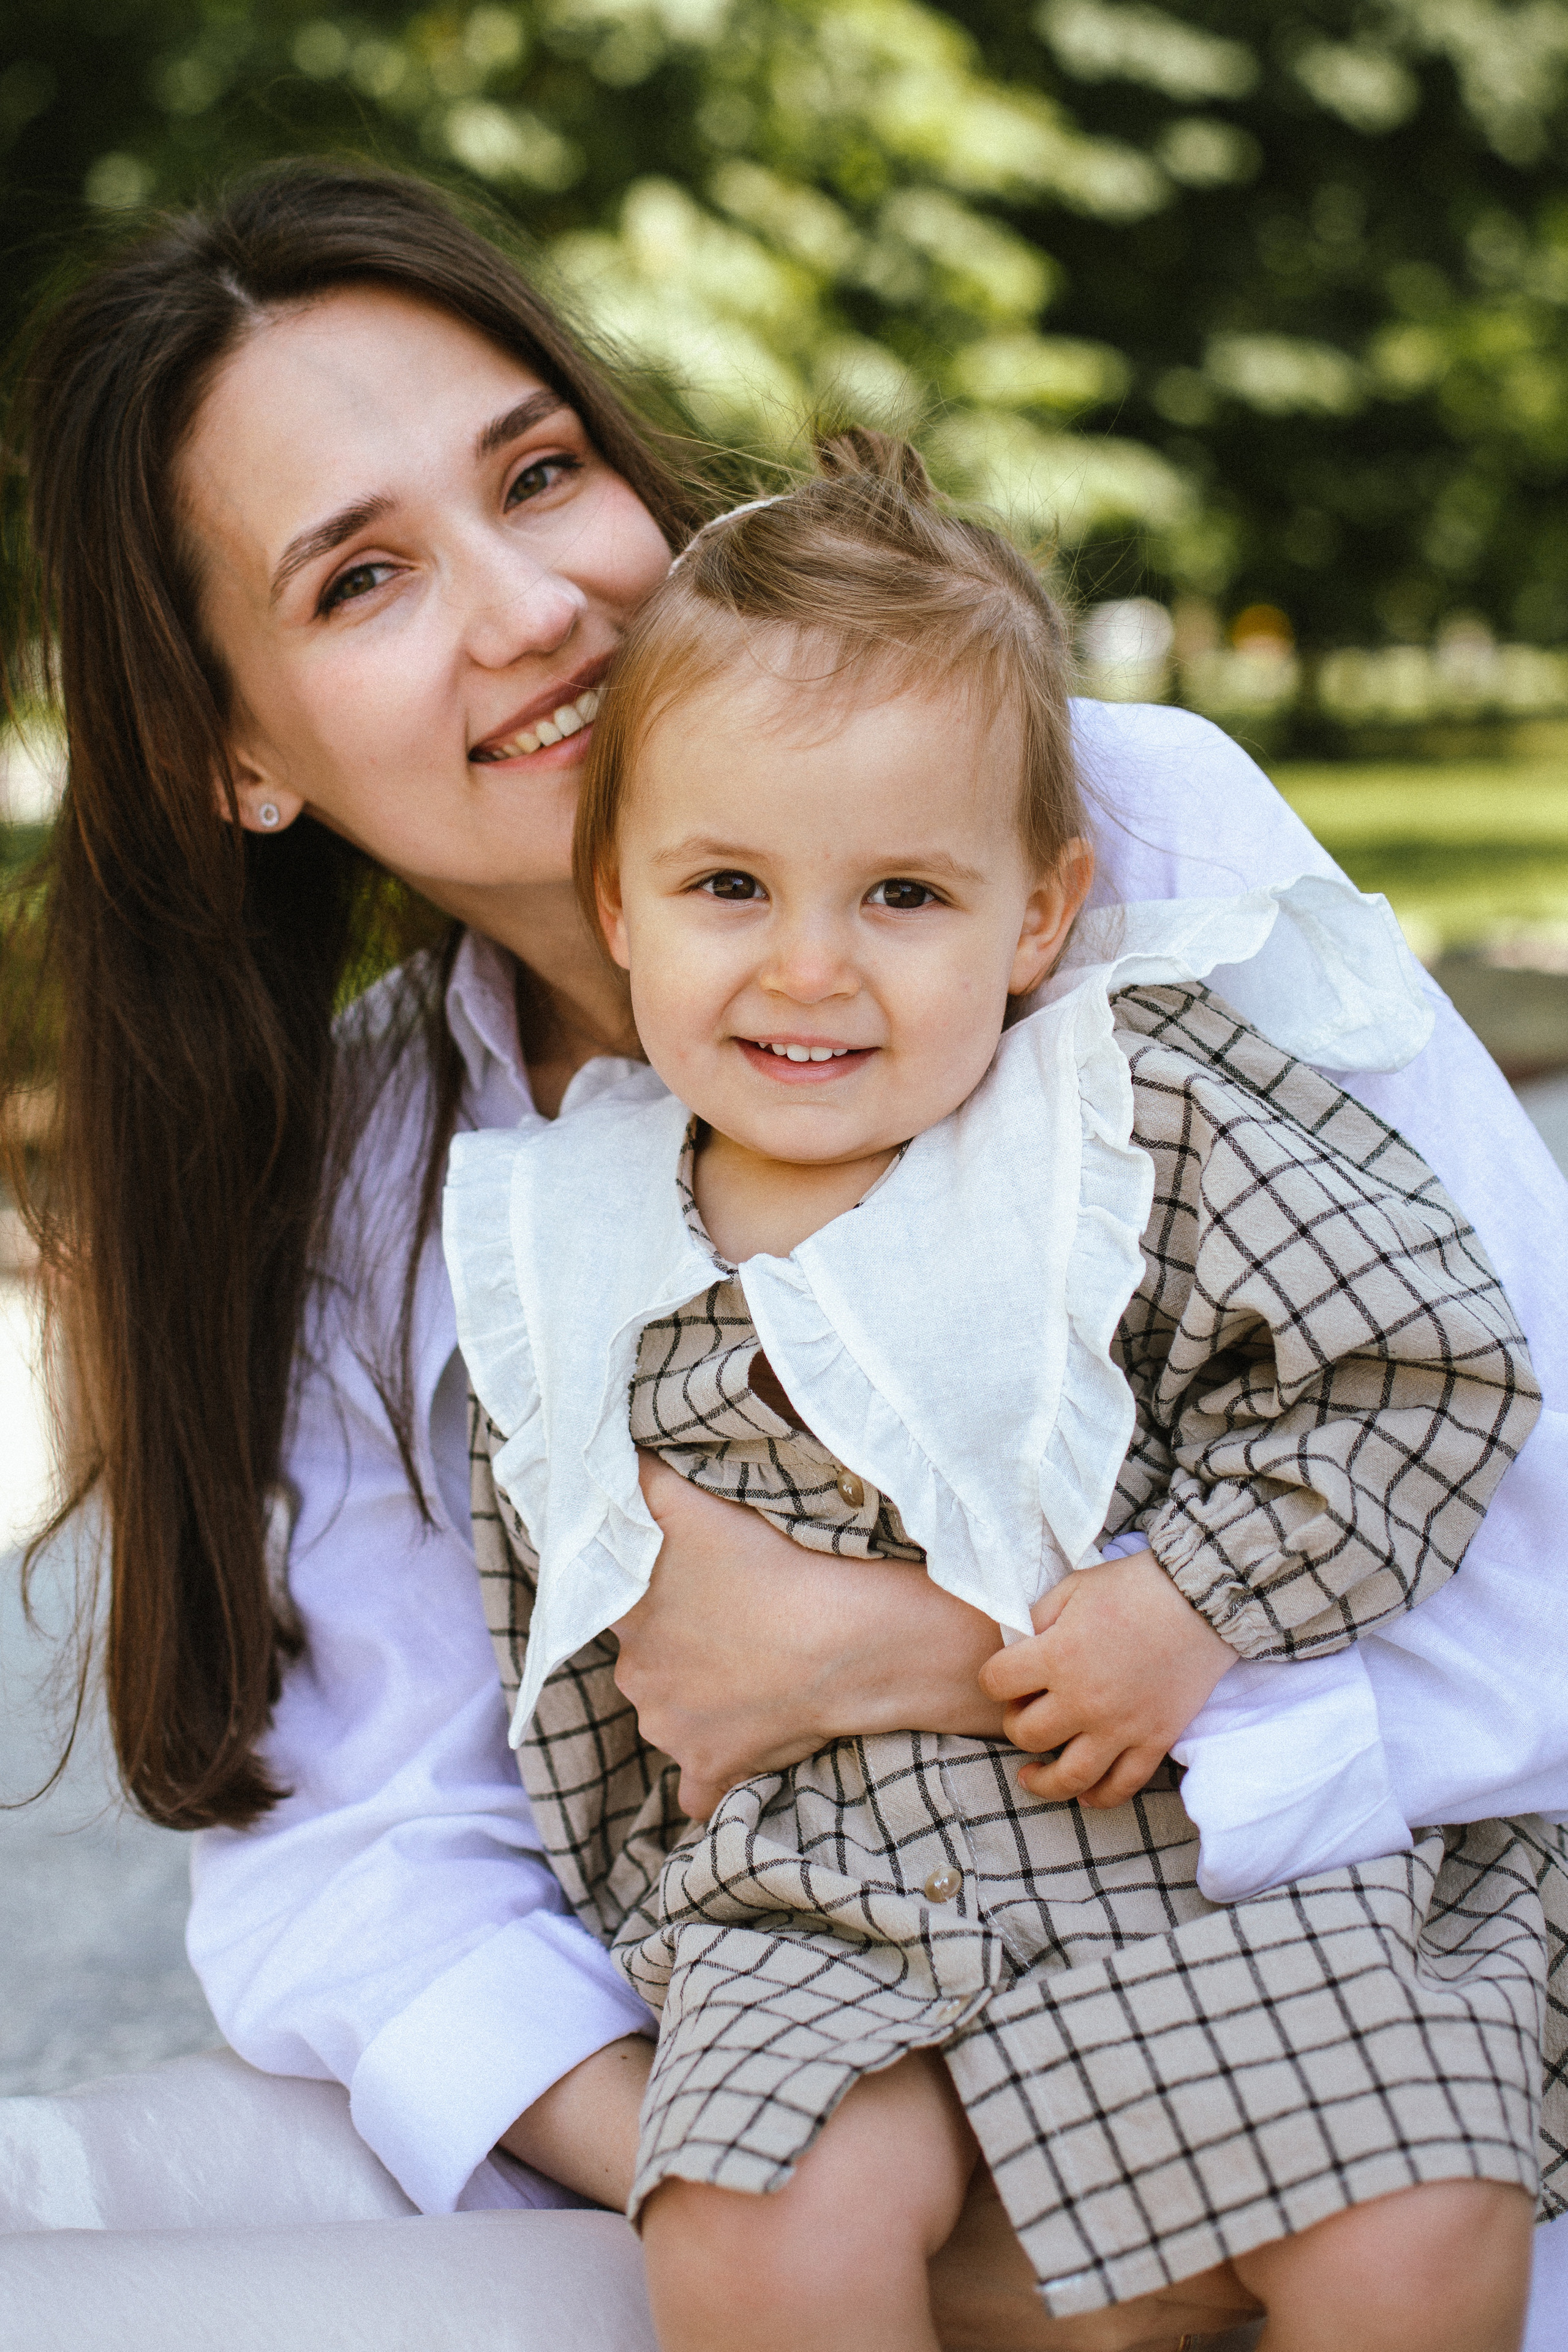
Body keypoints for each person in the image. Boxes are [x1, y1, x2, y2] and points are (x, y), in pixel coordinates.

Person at [1, 162, 1564, 2348]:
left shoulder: (1128, 852)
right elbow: (365, 1865)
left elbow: (1523, 1540)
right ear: (233, 751)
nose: (532, 603)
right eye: (362, 579)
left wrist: (915, 1658)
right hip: (802, 2058)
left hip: (1323, 1946)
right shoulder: (386, 1179)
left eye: (538, 473)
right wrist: (795, 2189)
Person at [443, 434, 1558, 2352]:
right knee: (748, 2222)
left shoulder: (1135, 1111)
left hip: (1187, 1854)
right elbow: (564, 1624)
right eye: (727, 885)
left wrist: (1200, 1596)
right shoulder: (567, 1228)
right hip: (806, 1894)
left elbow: (1427, 1358)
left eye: (901, 894)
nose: (811, 968)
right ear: (614, 907)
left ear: (1038, 915)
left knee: (1419, 2222)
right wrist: (655, 1903)